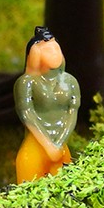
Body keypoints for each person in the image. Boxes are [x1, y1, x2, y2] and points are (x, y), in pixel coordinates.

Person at [14, 26, 81, 183]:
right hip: (37, 143)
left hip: (60, 145)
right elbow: (27, 115)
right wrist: (48, 145)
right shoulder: (27, 83)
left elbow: (72, 114)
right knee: (29, 182)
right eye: (49, 51)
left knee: (62, 184)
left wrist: (59, 144)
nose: (55, 53)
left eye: (56, 49)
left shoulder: (70, 81)